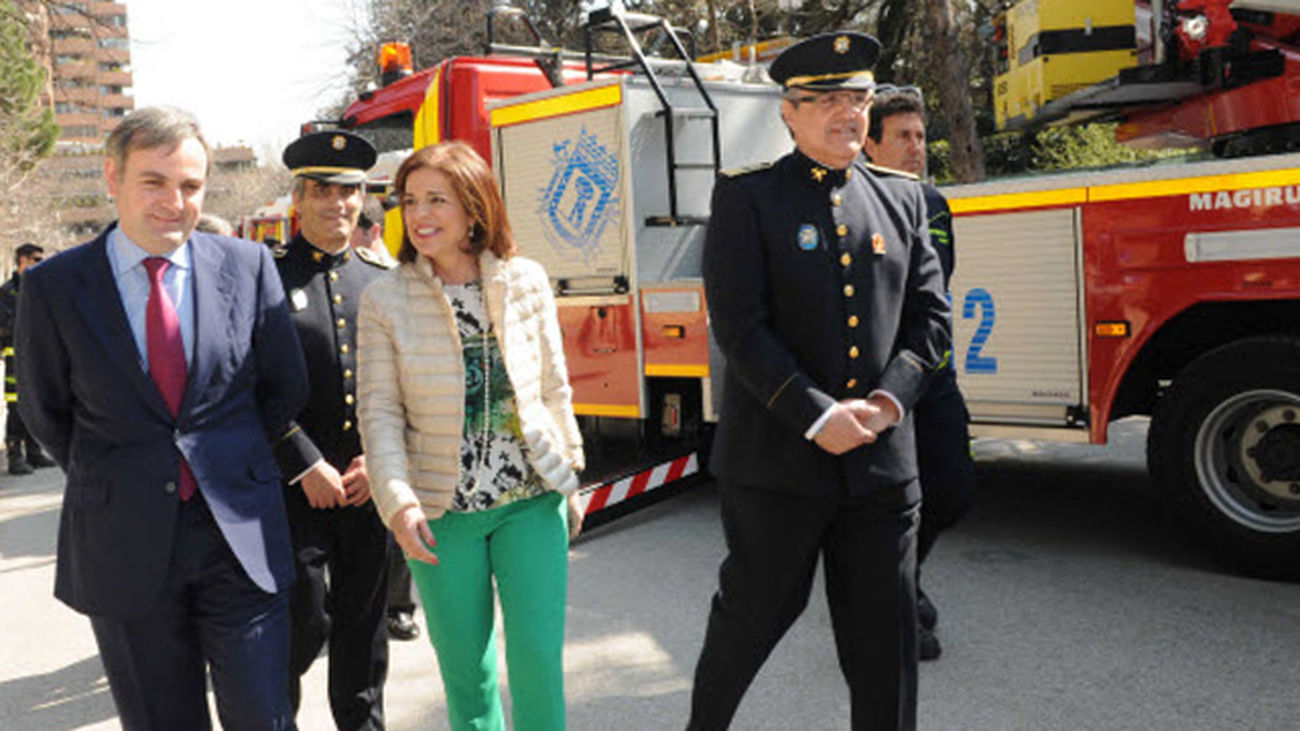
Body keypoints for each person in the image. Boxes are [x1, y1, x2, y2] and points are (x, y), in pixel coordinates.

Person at [687, 33, 950, 731]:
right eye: (827, 100)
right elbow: (740, 327)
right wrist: (814, 413)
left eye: (857, 98)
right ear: (789, 112)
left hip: (881, 469)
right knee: (751, 618)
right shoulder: (747, 197)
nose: (848, 114)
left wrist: (890, 401)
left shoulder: (904, 199)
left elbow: (931, 319)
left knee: (884, 649)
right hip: (777, 465)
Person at [15, 106, 308, 729]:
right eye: (154, 181)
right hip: (124, 541)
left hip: (239, 537)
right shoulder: (54, 286)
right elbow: (47, 411)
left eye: (191, 186)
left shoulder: (248, 267)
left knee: (263, 715)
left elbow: (282, 389)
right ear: (112, 177)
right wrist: (123, 474)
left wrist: (229, 463)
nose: (174, 201)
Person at [357, 140, 584, 731]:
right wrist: (398, 503)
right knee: (468, 675)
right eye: (410, 201)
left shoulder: (526, 280)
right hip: (440, 512)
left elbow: (556, 388)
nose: (420, 215)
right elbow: (378, 415)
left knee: (538, 663)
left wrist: (571, 476)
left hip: (531, 503)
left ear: (475, 208)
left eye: (438, 199)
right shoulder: (383, 298)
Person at [274, 130, 395, 728]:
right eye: (322, 190)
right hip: (292, 488)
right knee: (302, 620)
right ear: (298, 197)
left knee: (364, 629)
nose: (337, 203)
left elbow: (401, 386)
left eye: (348, 191)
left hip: (367, 484)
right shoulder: (265, 278)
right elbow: (244, 385)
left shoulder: (382, 278)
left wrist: (379, 459)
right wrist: (302, 461)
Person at [864, 89, 977, 661]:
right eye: (903, 136)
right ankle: (891, 601)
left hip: (932, 376)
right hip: (877, 387)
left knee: (953, 488)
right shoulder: (852, 203)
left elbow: (937, 290)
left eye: (920, 136)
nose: (917, 147)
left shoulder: (932, 201)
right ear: (870, 141)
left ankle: (905, 576)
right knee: (889, 504)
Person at [0, 242, 55, 475]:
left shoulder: (39, 288)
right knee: (16, 406)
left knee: (34, 404)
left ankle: (34, 452)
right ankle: (15, 457)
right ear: (23, 260)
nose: (41, 264)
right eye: (37, 260)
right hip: (15, 356)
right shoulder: (7, 292)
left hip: (37, 354)